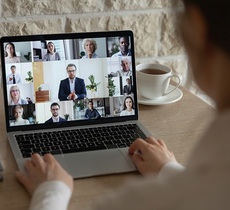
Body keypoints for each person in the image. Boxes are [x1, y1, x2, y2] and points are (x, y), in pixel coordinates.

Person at [15, 0, 230, 209]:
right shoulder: (62, 83)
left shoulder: (140, 202)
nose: (71, 73)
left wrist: (52, 192)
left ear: (197, 27)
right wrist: (170, 170)